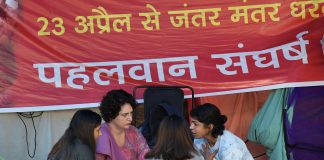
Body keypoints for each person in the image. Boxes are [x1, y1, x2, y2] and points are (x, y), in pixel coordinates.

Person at [96, 89, 150, 160]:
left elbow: (145, 154)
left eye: (131, 113)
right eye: (125, 115)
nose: (130, 118)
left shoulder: (133, 131)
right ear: (111, 114)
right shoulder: (101, 134)